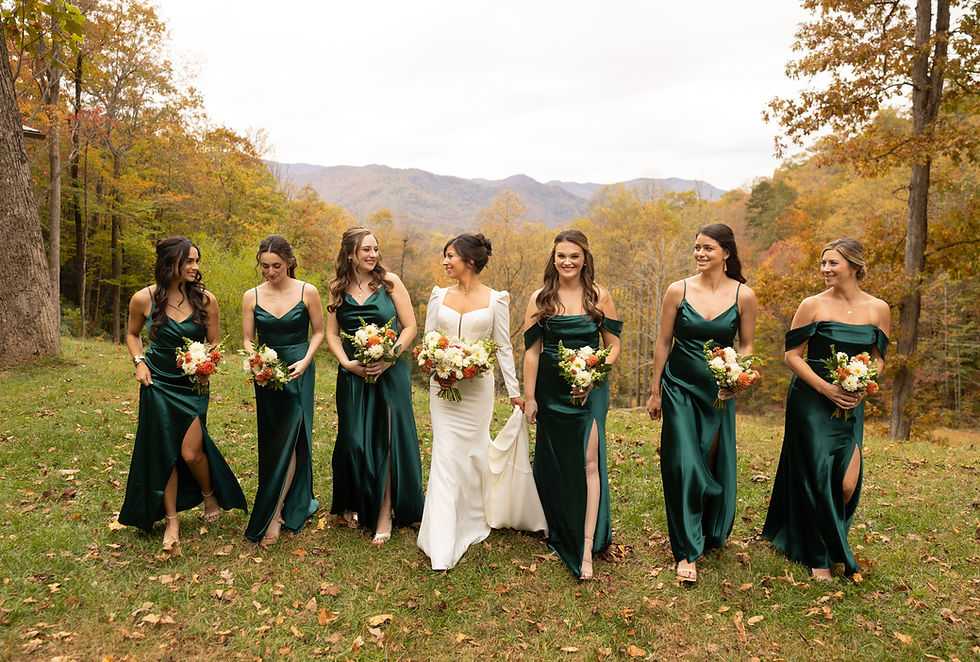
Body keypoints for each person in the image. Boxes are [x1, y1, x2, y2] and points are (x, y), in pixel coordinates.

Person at [416, 233, 545, 571]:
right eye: (445, 256)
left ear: (469, 262)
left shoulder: (495, 300)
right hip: (442, 389)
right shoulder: (438, 296)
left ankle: (473, 517)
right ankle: (441, 539)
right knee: (445, 453)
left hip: (477, 390)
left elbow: (502, 347)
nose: (445, 262)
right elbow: (428, 341)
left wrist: (515, 391)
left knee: (473, 452)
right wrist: (435, 369)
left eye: (450, 256)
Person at [762, 238, 889, 580]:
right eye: (823, 263)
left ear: (854, 266)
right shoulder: (811, 305)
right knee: (816, 474)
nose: (825, 269)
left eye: (833, 263)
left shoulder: (879, 309)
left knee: (847, 482)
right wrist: (826, 388)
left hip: (850, 402)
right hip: (811, 399)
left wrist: (863, 385)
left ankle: (828, 537)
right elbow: (792, 356)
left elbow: (878, 360)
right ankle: (819, 556)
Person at [645, 223, 758, 583]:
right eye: (696, 247)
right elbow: (663, 342)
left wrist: (737, 379)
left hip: (719, 392)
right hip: (678, 386)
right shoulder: (677, 290)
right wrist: (655, 390)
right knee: (683, 464)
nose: (700, 254)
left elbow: (747, 346)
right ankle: (686, 551)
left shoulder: (744, 295)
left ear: (726, 253)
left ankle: (709, 531)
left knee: (711, 462)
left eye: (708, 248)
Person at [119, 236, 247, 552]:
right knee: (165, 452)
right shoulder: (142, 299)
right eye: (188, 260)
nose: (195, 266)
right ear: (170, 263)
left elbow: (215, 346)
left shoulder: (207, 301)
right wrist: (139, 363)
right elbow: (132, 334)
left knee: (191, 451)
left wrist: (205, 365)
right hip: (157, 384)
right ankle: (172, 520)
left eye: (196, 261)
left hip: (192, 386)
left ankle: (208, 494)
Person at [523, 229, 622, 579]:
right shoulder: (540, 299)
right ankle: (557, 522)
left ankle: (585, 548)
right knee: (557, 460)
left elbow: (613, 346)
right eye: (561, 255)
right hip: (551, 390)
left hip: (590, 389)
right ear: (553, 258)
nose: (567, 261)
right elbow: (532, 352)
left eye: (574, 256)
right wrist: (531, 396)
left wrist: (593, 376)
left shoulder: (599, 296)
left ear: (585, 259)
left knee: (589, 460)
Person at [325, 227, 424, 544]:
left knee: (386, 440)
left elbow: (409, 327)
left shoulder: (390, 282)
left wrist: (390, 358)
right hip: (354, 374)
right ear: (350, 253)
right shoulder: (337, 287)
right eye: (365, 249)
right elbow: (330, 333)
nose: (372, 255)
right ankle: (355, 501)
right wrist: (346, 362)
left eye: (375, 249)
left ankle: (384, 512)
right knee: (354, 440)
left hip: (390, 372)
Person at [242, 235, 324, 548]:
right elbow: (248, 338)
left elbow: (318, 332)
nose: (270, 272)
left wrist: (306, 360)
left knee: (292, 438)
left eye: (276, 266)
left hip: (298, 369)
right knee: (274, 437)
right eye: (265, 266)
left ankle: (275, 514)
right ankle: (283, 496)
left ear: (288, 262)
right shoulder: (251, 295)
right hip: (266, 372)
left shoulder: (308, 291)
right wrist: (256, 359)